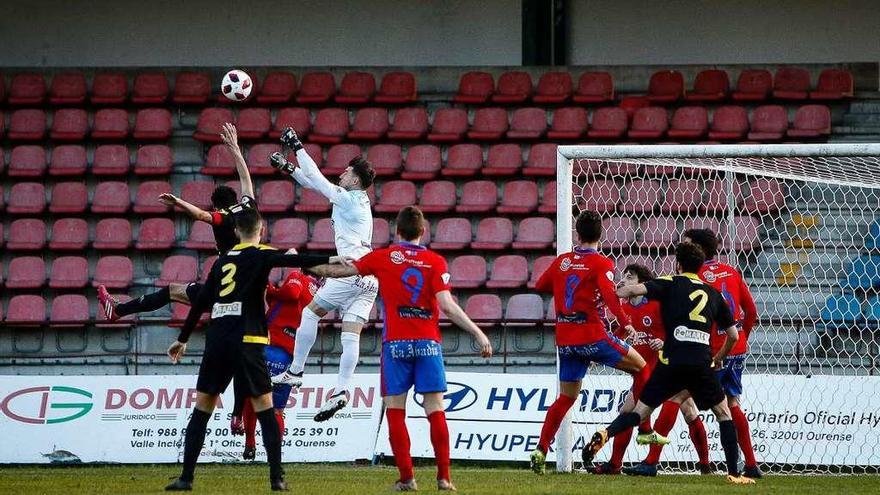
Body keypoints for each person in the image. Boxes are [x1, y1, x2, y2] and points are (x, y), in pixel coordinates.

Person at [309, 206, 493, 492]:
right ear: (422, 232)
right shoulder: (435, 261)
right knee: (436, 410)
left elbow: (340, 270)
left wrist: (306, 263)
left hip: (396, 345)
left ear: (397, 231)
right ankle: (444, 478)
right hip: (428, 345)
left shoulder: (383, 257)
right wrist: (478, 333)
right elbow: (447, 306)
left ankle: (407, 478)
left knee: (395, 411)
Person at [163, 210, 347, 492]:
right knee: (265, 407)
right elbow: (295, 260)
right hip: (248, 339)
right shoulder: (262, 254)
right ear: (261, 231)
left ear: (236, 231)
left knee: (202, 408)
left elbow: (201, 301)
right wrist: (330, 259)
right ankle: (277, 477)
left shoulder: (222, 261)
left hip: (218, 339)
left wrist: (183, 338)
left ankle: (186, 477)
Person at [580, 242, 755, 485]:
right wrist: (718, 358)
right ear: (700, 267)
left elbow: (628, 293)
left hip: (670, 361)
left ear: (678, 264)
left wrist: (613, 287)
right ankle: (734, 474)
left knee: (639, 412)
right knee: (723, 413)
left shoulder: (669, 282)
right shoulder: (713, 293)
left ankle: (606, 433)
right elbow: (734, 335)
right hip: (700, 362)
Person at [269, 127, 379, 422]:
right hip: (370, 278)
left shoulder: (349, 198)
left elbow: (318, 180)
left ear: (355, 179)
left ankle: (295, 372)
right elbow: (314, 184)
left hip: (349, 269)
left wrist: (297, 147)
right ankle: (341, 391)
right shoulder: (357, 201)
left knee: (309, 313)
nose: (340, 175)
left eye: (345, 173)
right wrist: (289, 168)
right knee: (350, 335)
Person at [528, 211, 649, 475]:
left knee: (566, 398)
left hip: (566, 339)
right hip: (592, 334)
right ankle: (644, 430)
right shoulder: (601, 263)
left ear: (577, 234)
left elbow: (540, 285)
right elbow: (609, 295)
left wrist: (567, 290)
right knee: (642, 369)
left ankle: (540, 448)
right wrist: (625, 320)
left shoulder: (563, 261)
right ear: (600, 234)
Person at [98, 122, 255, 321]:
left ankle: (118, 311)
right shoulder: (249, 208)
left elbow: (202, 215)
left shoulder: (223, 217)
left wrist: (179, 201)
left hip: (225, 291)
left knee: (172, 291)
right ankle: (119, 310)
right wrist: (235, 149)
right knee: (175, 291)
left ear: (216, 207)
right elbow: (246, 180)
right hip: (249, 288)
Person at [590, 264, 710, 476]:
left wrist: (662, 341)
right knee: (635, 411)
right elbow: (616, 335)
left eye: (630, 277)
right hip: (643, 373)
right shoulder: (624, 310)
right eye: (624, 276)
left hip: (667, 367)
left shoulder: (658, 306)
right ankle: (617, 464)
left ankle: (703, 465)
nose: (624, 280)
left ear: (641, 284)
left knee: (686, 409)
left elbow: (677, 332)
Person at [240, 267, 319, 460]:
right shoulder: (320, 293)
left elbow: (291, 292)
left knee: (251, 396)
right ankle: (274, 455)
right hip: (291, 355)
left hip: (271, 344)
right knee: (277, 409)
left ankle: (250, 444)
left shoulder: (297, 275)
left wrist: (273, 291)